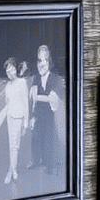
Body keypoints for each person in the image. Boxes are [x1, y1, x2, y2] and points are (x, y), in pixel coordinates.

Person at [29, 45, 64, 176]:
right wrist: (32, 116)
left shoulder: (56, 79)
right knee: (37, 138)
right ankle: (37, 160)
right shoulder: (36, 78)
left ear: (49, 62)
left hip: (52, 116)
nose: (41, 64)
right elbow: (34, 102)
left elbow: (53, 99)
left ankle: (51, 165)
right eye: (39, 60)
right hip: (39, 114)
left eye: (44, 60)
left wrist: (36, 95)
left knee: (50, 139)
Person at [2, 56, 30, 184]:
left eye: (11, 69)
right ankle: (12, 168)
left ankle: (12, 170)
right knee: (10, 144)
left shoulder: (22, 82)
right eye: (7, 71)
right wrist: (8, 112)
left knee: (15, 145)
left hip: (19, 117)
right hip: (10, 117)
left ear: (15, 69)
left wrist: (26, 123)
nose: (10, 73)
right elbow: (7, 101)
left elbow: (25, 103)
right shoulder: (8, 85)